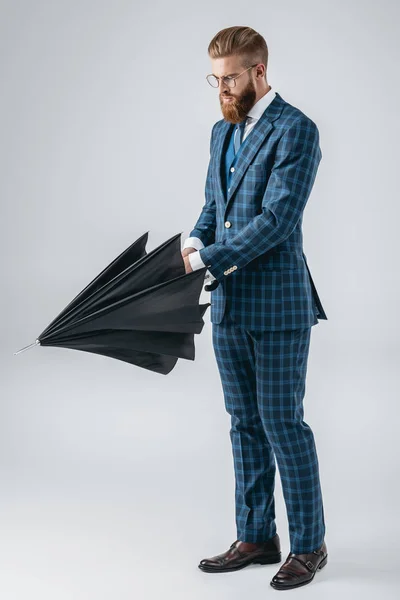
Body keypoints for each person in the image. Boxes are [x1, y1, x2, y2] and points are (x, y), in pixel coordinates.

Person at [181, 26, 328, 591]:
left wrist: (207, 259)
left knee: (282, 424)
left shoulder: (298, 130)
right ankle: (256, 536)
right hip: (229, 306)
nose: (221, 88)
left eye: (231, 78)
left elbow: (277, 221)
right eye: (214, 79)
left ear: (259, 72)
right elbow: (212, 205)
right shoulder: (222, 131)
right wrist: (192, 242)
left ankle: (309, 546)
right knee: (243, 424)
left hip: (279, 306)